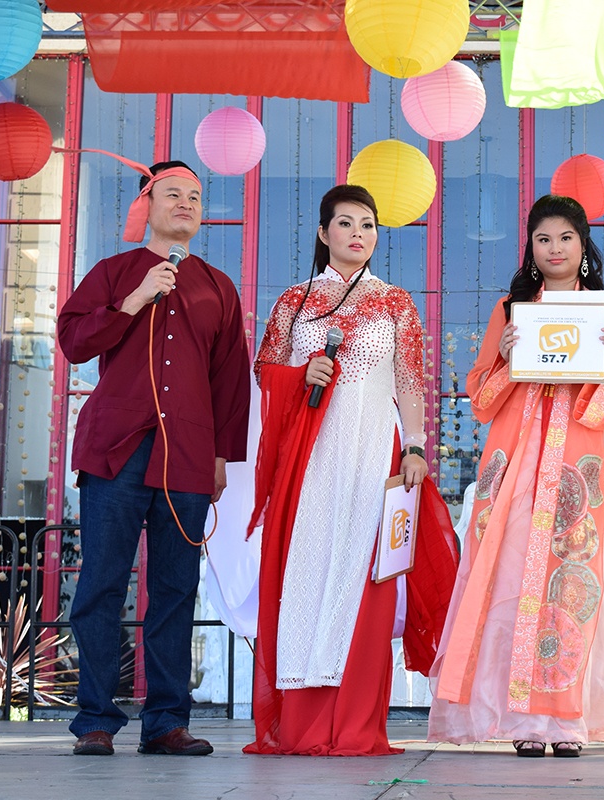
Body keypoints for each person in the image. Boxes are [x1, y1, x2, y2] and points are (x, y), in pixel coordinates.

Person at [245, 185, 457, 756]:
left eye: (368, 224)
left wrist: (416, 449)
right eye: (345, 223)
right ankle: (303, 725)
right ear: (323, 233)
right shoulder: (293, 301)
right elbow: (264, 373)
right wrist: (300, 374)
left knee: (370, 580)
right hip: (310, 457)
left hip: (374, 453)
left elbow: (410, 382)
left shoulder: (395, 302)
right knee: (307, 576)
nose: (358, 234)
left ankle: (357, 725)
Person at [429, 194, 604, 758]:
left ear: (583, 245)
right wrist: (502, 357)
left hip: (576, 467)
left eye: (565, 238)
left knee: (570, 582)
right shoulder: (512, 309)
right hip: (517, 466)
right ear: (530, 247)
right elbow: (480, 398)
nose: (554, 249)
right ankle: (523, 720)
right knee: (511, 582)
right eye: (543, 239)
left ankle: (566, 722)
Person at [58, 159, 251, 756]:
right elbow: (74, 341)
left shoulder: (219, 287)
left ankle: (166, 721)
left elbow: (230, 380)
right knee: (101, 584)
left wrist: (221, 456)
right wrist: (135, 299)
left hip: (186, 456)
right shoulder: (113, 273)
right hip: (115, 451)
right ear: (147, 203)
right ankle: (95, 719)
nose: (186, 203)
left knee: (175, 588)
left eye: (195, 195)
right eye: (173, 193)